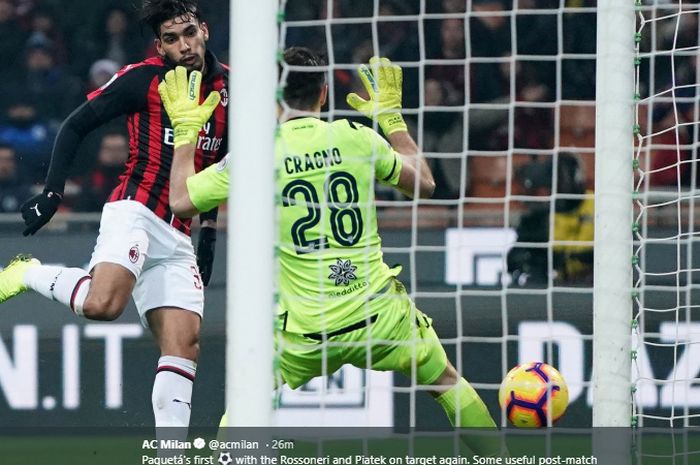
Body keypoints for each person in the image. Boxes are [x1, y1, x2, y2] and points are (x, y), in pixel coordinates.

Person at [159, 48, 503, 456]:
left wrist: (184, 132)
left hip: (305, 330)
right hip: (378, 315)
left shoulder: (258, 154)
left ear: (274, 97)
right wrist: (392, 119)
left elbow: (180, 200)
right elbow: (425, 183)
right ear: (324, 93)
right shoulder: (355, 137)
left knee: (245, 407)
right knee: (445, 380)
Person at [0, 0, 227, 434]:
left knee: (184, 344)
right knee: (103, 305)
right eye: (171, 39)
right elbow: (74, 125)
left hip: (179, 232)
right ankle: (27, 272)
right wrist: (52, 191)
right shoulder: (141, 80)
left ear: (205, 31)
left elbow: (218, 170)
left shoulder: (229, 90)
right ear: (159, 46)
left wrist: (209, 236)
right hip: (136, 210)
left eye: (189, 33)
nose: (184, 45)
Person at [507, 152, 593, 286]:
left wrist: (573, 257)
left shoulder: (598, 204)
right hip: (559, 284)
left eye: (562, 179)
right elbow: (515, 258)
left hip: (595, 280)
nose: (560, 186)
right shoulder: (542, 215)